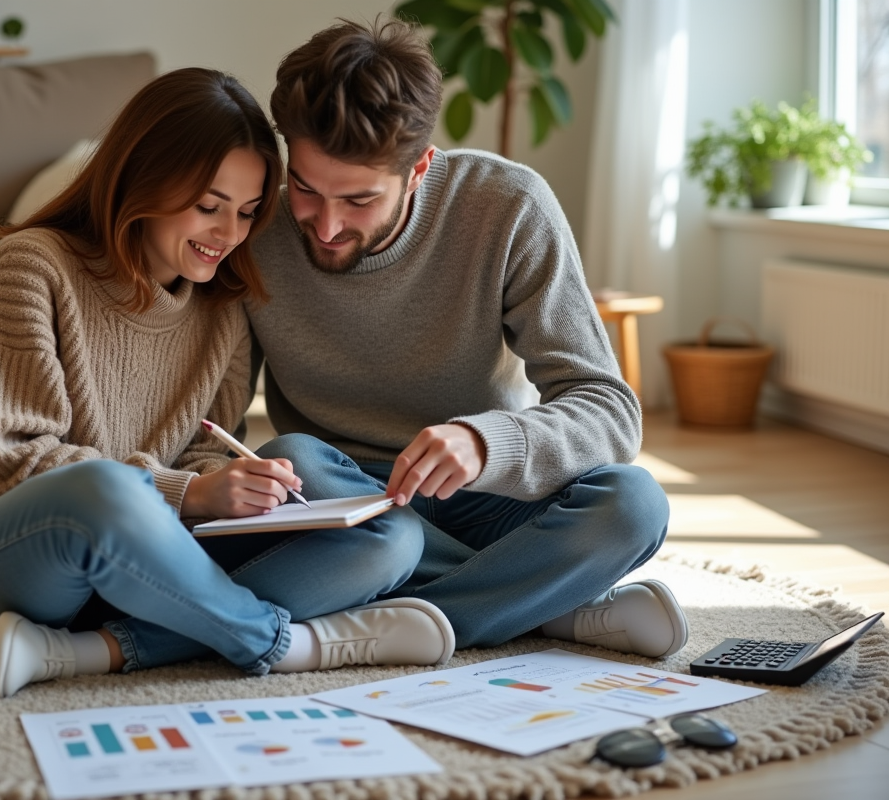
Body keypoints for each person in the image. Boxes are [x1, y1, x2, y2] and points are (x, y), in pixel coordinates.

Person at [0, 67, 455, 700]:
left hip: (133, 572)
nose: (229, 236)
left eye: (249, 213)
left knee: (391, 538)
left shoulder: (222, 305)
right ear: (143, 179)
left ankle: (100, 650)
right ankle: (282, 644)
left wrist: (238, 490)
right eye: (209, 207)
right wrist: (193, 493)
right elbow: (15, 465)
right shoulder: (31, 269)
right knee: (99, 490)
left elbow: (205, 447)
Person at [245, 19, 688, 660]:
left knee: (634, 505)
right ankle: (541, 609)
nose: (326, 225)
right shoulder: (255, 224)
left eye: (359, 200)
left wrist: (487, 441)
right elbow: (219, 415)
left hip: (486, 494)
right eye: (307, 189)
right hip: (343, 501)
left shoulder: (507, 206)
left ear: (419, 167)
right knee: (296, 457)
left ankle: (380, 620)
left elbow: (608, 409)